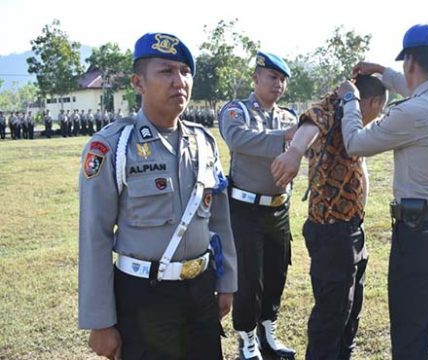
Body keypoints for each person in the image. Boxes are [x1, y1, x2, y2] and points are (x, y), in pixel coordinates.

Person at [78, 32, 237, 360]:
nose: (179, 81)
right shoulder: (112, 146)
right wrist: (101, 322)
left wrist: (228, 280)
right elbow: (94, 235)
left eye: (185, 71)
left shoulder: (203, 142)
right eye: (166, 71)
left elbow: (219, 220)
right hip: (143, 296)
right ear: (138, 82)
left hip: (201, 289)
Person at [339, 23, 428, 360]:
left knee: (412, 333)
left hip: (422, 237)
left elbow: (355, 143)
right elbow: (417, 88)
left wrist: (350, 102)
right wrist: (381, 72)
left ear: (411, 62)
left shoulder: (411, 113)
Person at [271, 74, 387, 359]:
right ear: (371, 102)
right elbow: (311, 122)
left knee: (350, 311)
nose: (380, 116)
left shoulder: (353, 120)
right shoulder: (334, 105)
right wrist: (295, 152)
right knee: (331, 315)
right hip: (332, 231)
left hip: (352, 230)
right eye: (380, 108)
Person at [218, 51, 298, 360]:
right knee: (248, 277)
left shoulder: (289, 116)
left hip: (278, 208)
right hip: (245, 209)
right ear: (256, 78)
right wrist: (286, 138)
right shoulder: (236, 111)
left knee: (277, 272)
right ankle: (247, 340)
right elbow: (239, 139)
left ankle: (268, 333)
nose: (278, 84)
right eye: (272, 77)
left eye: (282, 80)